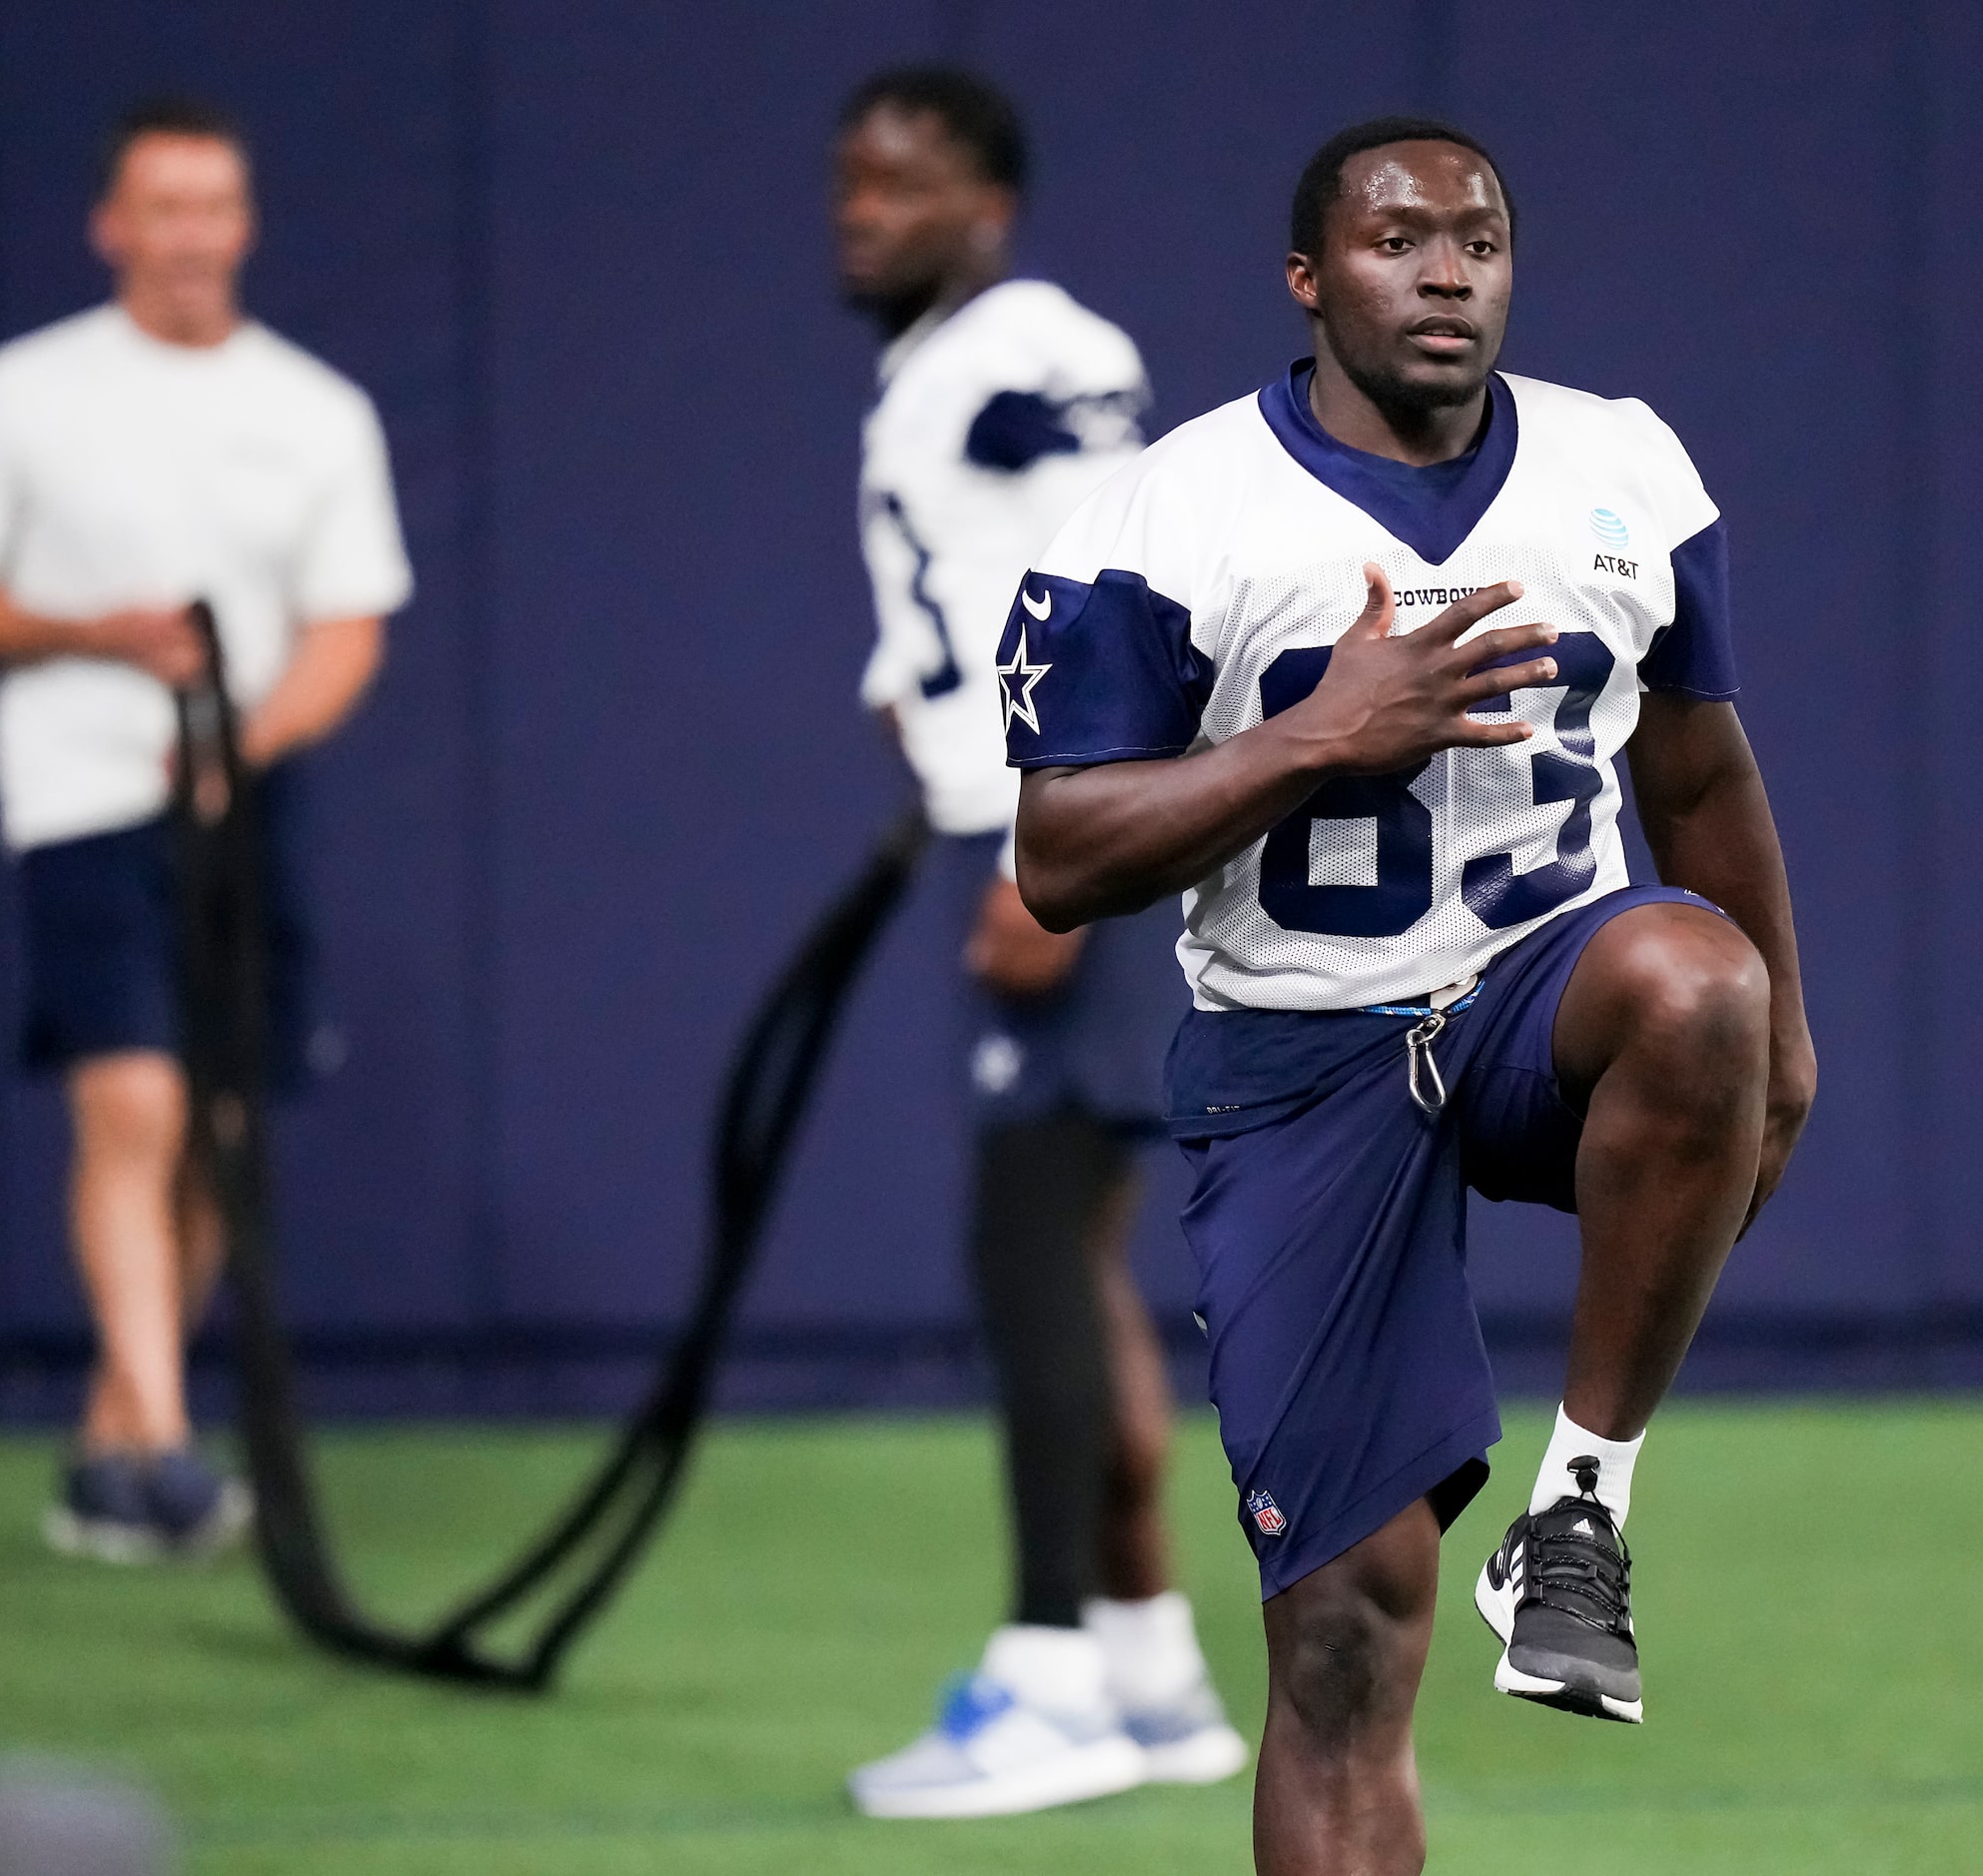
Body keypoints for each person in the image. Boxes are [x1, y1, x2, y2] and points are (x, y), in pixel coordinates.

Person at [998, 118, 1815, 1871]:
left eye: (1478, 240)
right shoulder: (1165, 510)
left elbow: (1698, 770)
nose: (1445, 272)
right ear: (1307, 279)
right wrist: (1324, 730)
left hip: (1541, 988)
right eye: (1395, 242)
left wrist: (1783, 1035)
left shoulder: (1622, 466)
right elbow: (1059, 857)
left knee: (1695, 981)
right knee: (1350, 1635)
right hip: (1301, 1051)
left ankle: (1578, 1510)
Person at [0, 98, 412, 1564]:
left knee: (222, 1131)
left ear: (244, 225)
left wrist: (242, 746)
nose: (186, 235)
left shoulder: (316, 411)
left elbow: (348, 627)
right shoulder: (26, 394)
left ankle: (115, 1434)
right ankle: (169, 1445)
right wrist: (87, 634)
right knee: (135, 1106)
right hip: (78, 795)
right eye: (158, 207)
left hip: (242, 810)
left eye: (212, 206)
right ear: (109, 225)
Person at [829, 67, 1248, 1820]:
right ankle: (1148, 1667)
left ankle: (1050, 1666)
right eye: (848, 181)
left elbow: (1111, 574)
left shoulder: (1027, 346)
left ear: (988, 203)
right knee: (1063, 1251)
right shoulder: (939, 365)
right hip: (1024, 825)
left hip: (1065, 842)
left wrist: (1039, 839)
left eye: (902, 183)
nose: (862, 209)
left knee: (1024, 1239)